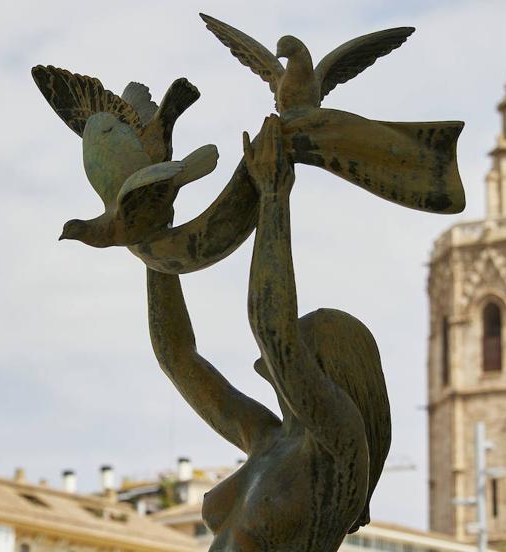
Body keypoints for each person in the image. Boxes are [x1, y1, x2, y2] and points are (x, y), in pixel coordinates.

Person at [146, 115, 391, 551]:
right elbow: (178, 357)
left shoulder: (340, 451)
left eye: (299, 347)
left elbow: (272, 329)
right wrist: (153, 239)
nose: (267, 365)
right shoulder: (266, 438)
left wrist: (275, 195)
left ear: (326, 369)